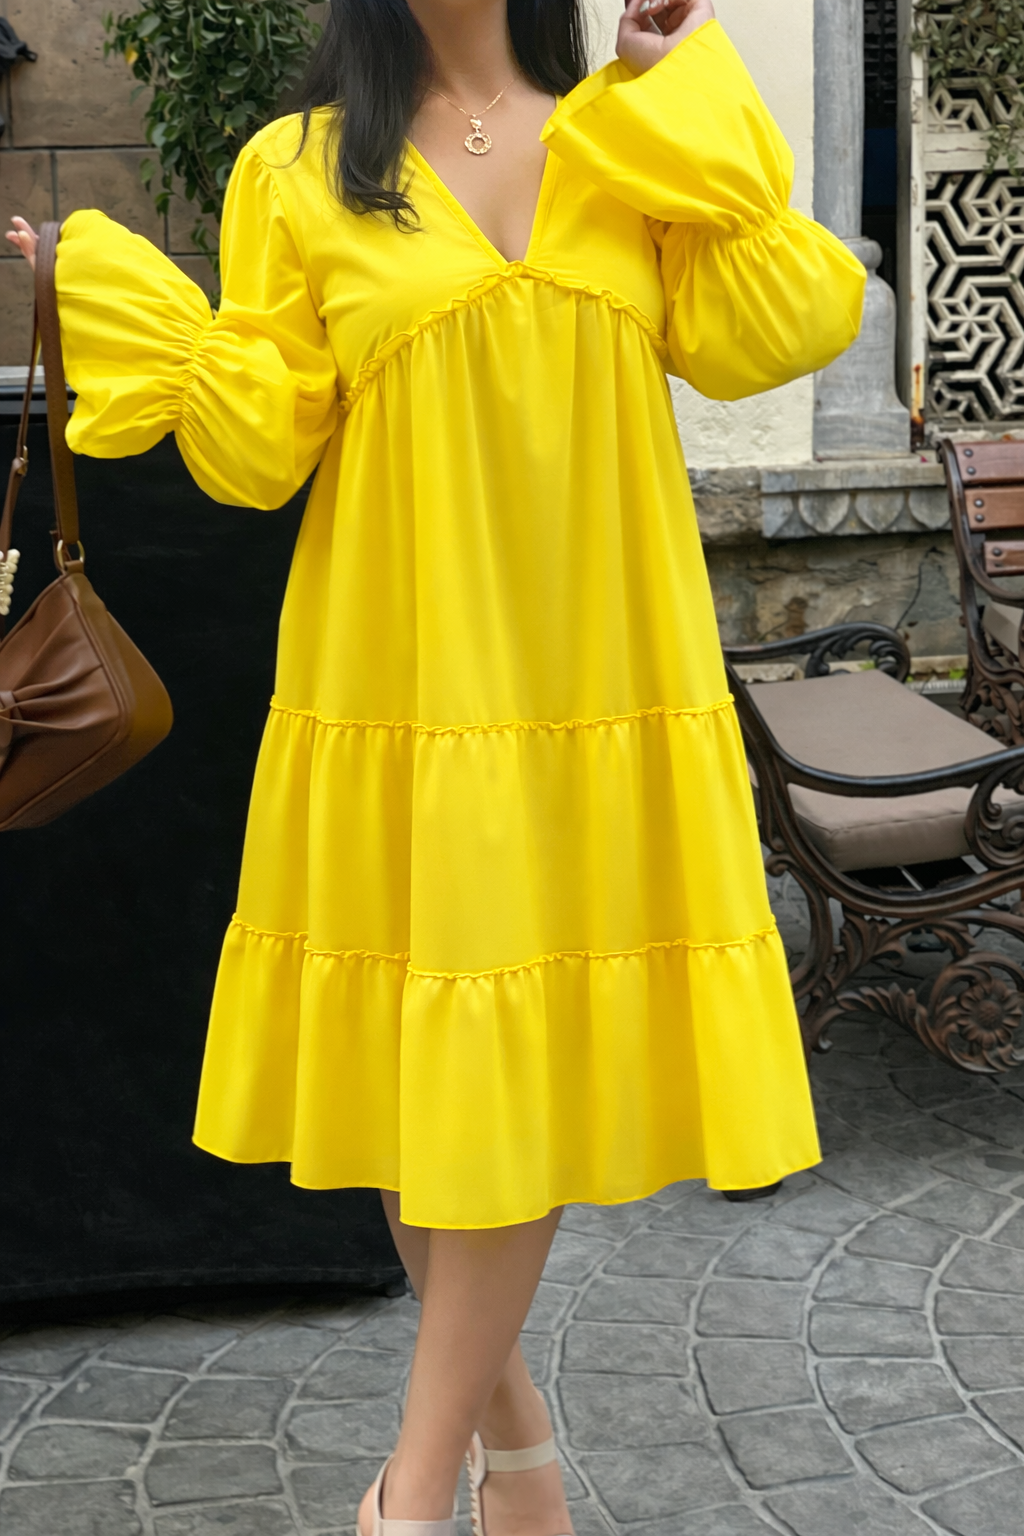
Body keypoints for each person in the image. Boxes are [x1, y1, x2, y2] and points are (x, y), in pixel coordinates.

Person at [8, 1, 864, 1531]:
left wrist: (679, 98)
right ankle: (510, 1445)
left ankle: (413, 1492)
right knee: (431, 1078)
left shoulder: (625, 140)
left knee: (499, 1070)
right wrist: (105, 291)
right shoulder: (299, 168)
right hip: (400, 675)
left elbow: (777, 329)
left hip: (598, 676)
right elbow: (258, 445)